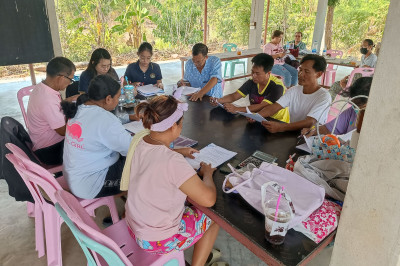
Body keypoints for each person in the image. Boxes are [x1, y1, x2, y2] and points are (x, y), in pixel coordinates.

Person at [123, 95, 220, 265]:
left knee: (188, 202)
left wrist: (179, 151)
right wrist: (207, 174)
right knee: (214, 218)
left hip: (134, 226)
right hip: (157, 241)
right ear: (174, 126)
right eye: (181, 124)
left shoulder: (141, 140)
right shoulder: (171, 161)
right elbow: (208, 199)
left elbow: (155, 157)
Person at [61, 75, 132, 199]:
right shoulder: (105, 119)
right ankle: (134, 207)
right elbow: (132, 150)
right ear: (108, 99)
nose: (118, 101)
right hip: (91, 184)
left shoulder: (79, 107)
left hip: (74, 176)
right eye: (118, 97)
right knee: (146, 165)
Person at [257, 54, 332, 133]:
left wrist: (281, 127)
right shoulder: (294, 90)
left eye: (306, 71)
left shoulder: (324, 96)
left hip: (312, 139)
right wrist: (257, 115)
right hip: (293, 133)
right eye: (300, 70)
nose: (300, 74)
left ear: (318, 74)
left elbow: (311, 122)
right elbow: (275, 107)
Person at [210, 53, 290, 123]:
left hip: (277, 121)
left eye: (257, 73)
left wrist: (237, 109)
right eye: (252, 72)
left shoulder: (277, 86)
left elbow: (262, 106)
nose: (253, 76)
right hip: (257, 118)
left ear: (268, 73)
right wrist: (218, 100)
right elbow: (234, 96)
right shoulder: (252, 82)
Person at [26, 57, 77, 165]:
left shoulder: (42, 88)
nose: (70, 83)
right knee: (90, 143)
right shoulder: (48, 99)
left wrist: (73, 98)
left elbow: (58, 106)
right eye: (70, 80)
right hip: (50, 151)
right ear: (61, 78)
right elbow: (63, 131)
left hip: (43, 143)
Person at [302, 77, 372, 137]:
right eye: (354, 105)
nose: (356, 108)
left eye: (360, 106)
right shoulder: (352, 111)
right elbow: (329, 128)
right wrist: (314, 130)